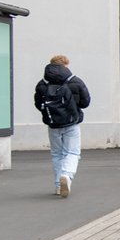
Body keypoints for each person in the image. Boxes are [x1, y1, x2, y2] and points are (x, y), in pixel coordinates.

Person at [34, 54, 91, 198]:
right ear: (65, 65)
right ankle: (66, 176)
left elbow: (38, 104)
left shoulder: (42, 84)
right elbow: (85, 102)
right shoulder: (75, 81)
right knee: (72, 153)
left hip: (53, 124)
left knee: (57, 154)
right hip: (72, 122)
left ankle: (59, 186)